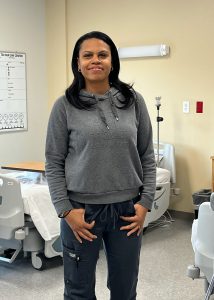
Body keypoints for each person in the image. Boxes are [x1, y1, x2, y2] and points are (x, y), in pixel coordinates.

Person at [45, 31, 156, 300]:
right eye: (88, 55)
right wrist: (65, 210)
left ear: (112, 61)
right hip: (81, 212)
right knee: (78, 290)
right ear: (78, 63)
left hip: (127, 212)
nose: (96, 60)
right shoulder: (64, 106)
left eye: (102, 55)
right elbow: (54, 161)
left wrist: (145, 203)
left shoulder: (133, 101)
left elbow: (147, 156)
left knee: (124, 288)